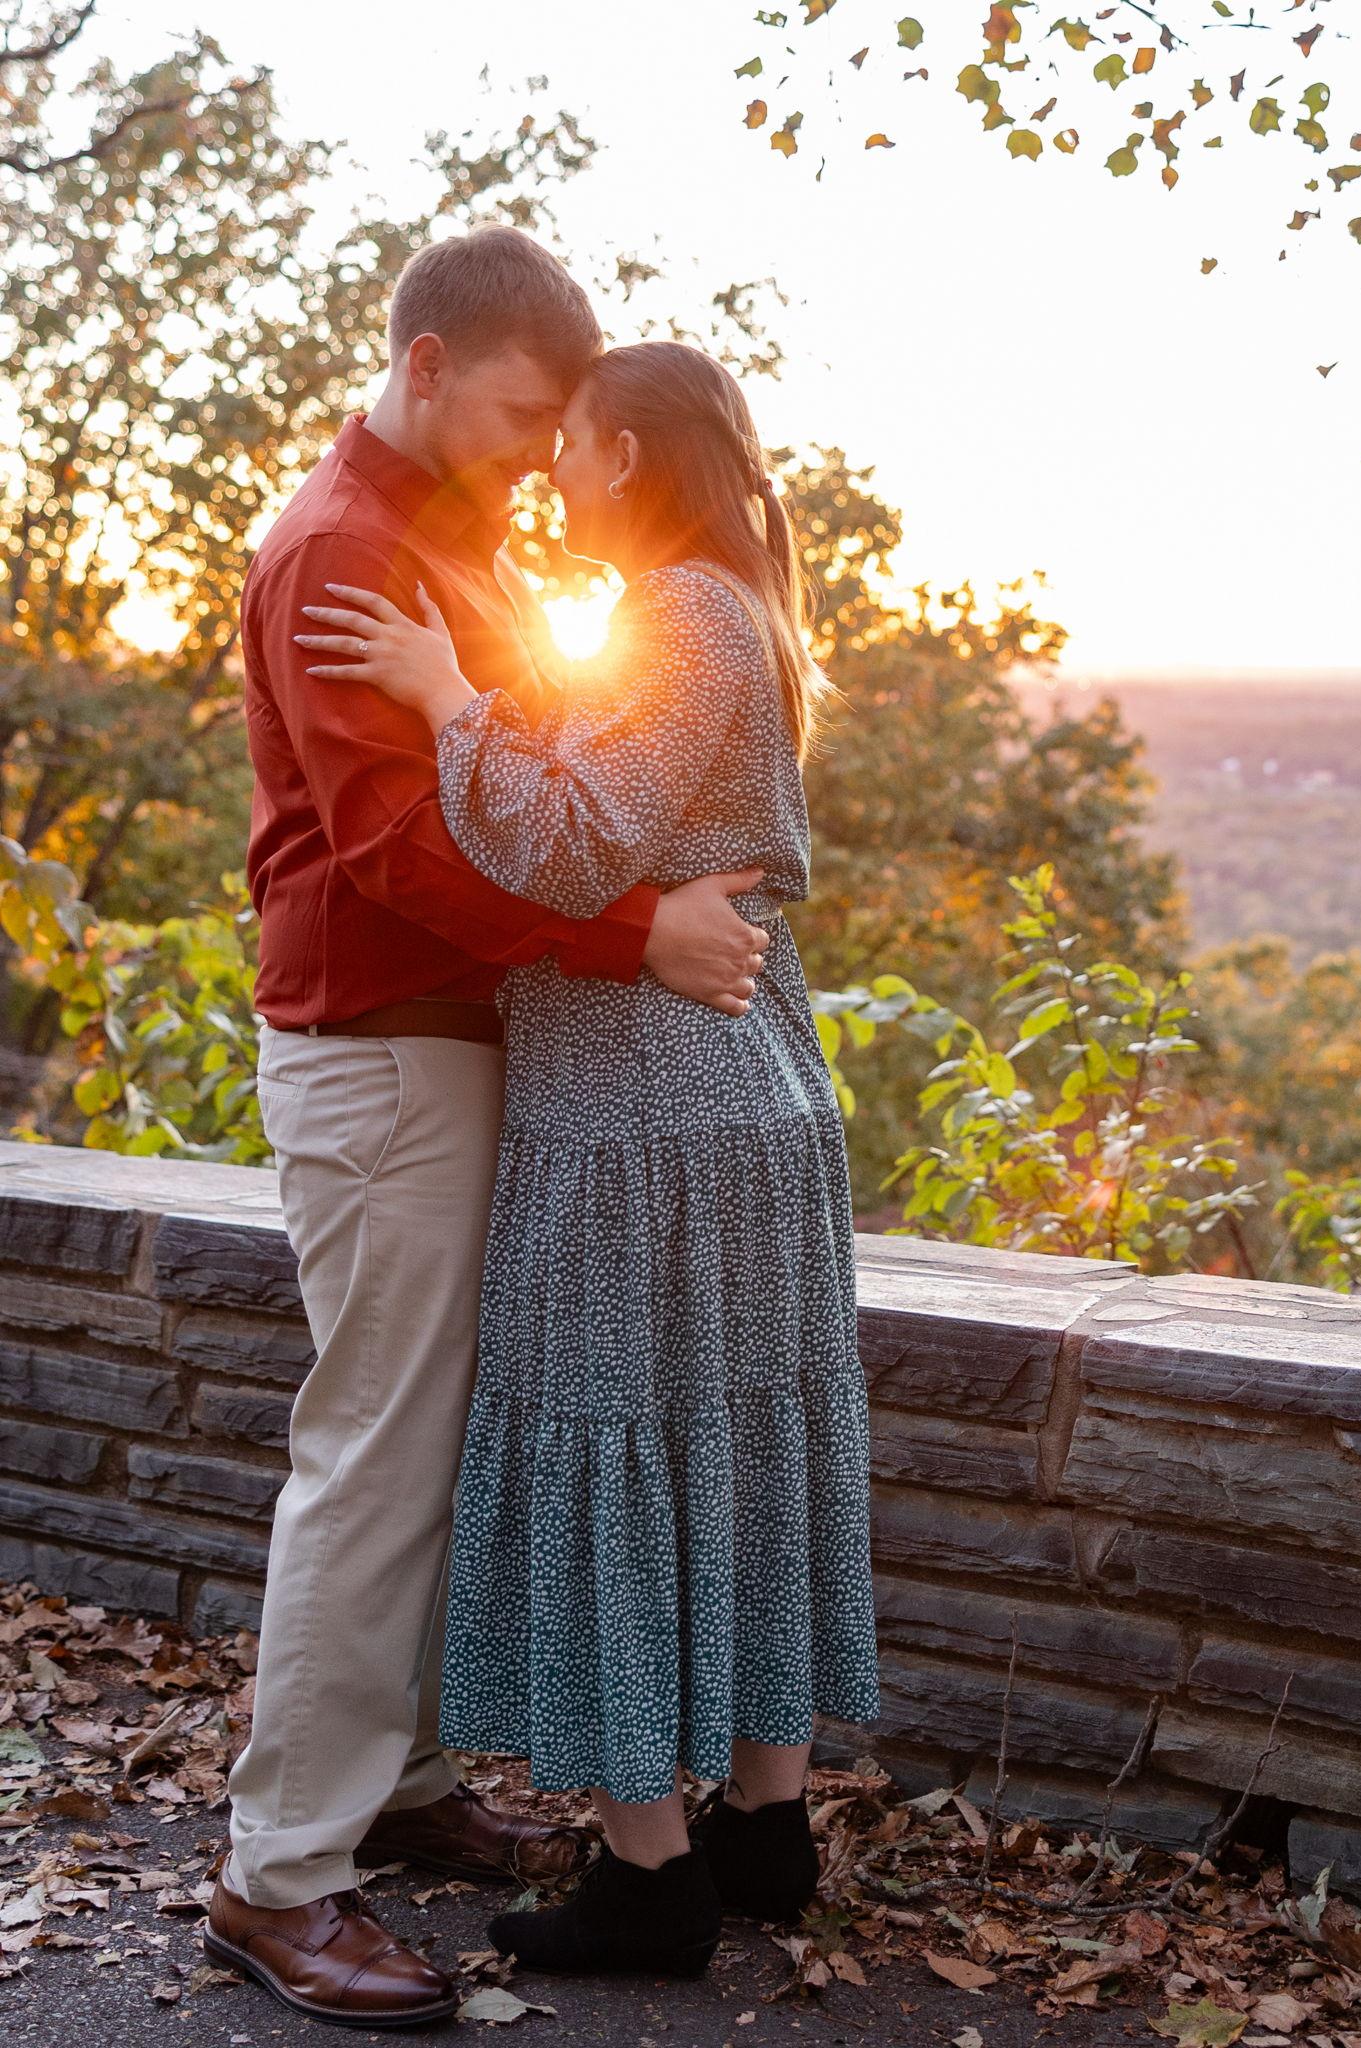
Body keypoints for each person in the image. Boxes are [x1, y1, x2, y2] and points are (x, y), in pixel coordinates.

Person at [205, 228, 776, 2031]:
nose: (548, 455)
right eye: (530, 414)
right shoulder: (340, 553)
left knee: (456, 1433)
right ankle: (277, 1878)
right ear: (431, 361)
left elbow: (542, 770)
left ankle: (402, 1786)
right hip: (383, 1053)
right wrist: (641, 937)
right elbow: (402, 852)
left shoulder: (449, 537)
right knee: (374, 1456)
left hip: (470, 1050)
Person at [297, 337, 880, 1980]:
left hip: (640, 1106)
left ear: (627, 454)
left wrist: (449, 697)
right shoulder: (738, 609)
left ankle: (650, 1875)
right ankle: (766, 1824)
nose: (550, 470)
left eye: (573, 447)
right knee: (742, 1436)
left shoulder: (683, 610)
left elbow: (563, 838)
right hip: (749, 1091)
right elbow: (616, 796)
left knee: (602, 1436)